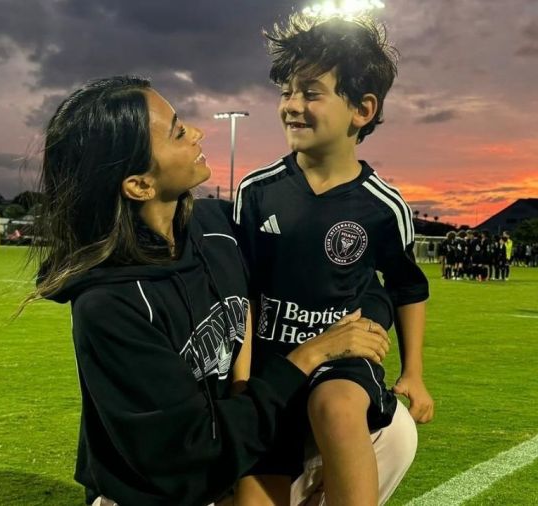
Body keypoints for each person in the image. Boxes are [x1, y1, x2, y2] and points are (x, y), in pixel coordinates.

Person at [23, 76, 394, 506]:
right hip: (165, 490)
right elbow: (190, 457)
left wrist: (364, 316)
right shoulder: (109, 305)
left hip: (235, 449)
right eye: (178, 132)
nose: (197, 133)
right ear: (140, 185)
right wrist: (308, 355)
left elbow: (326, 280)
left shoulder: (216, 225)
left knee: (390, 432)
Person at [233, 16, 432, 506]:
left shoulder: (382, 206)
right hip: (273, 368)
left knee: (338, 407)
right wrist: (242, 383)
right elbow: (242, 294)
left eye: (310, 92)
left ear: (362, 109)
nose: (292, 106)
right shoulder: (256, 192)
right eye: (286, 92)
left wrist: (414, 373)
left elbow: (409, 286)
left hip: (341, 362)